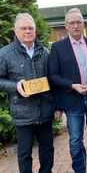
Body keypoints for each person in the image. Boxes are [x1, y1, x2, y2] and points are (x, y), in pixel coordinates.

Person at [48, 8, 87, 173]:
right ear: (66, 25)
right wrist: (72, 85)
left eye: (78, 22)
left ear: (83, 24)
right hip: (72, 99)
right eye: (72, 23)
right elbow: (52, 75)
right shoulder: (58, 48)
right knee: (75, 139)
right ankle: (79, 169)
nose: (76, 26)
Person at [0, 13, 60, 173]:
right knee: (24, 153)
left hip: (45, 110)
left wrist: (57, 106)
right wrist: (15, 86)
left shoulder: (45, 52)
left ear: (35, 30)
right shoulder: (5, 54)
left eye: (30, 28)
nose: (28, 31)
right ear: (15, 31)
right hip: (22, 113)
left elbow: (53, 80)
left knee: (47, 149)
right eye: (23, 28)